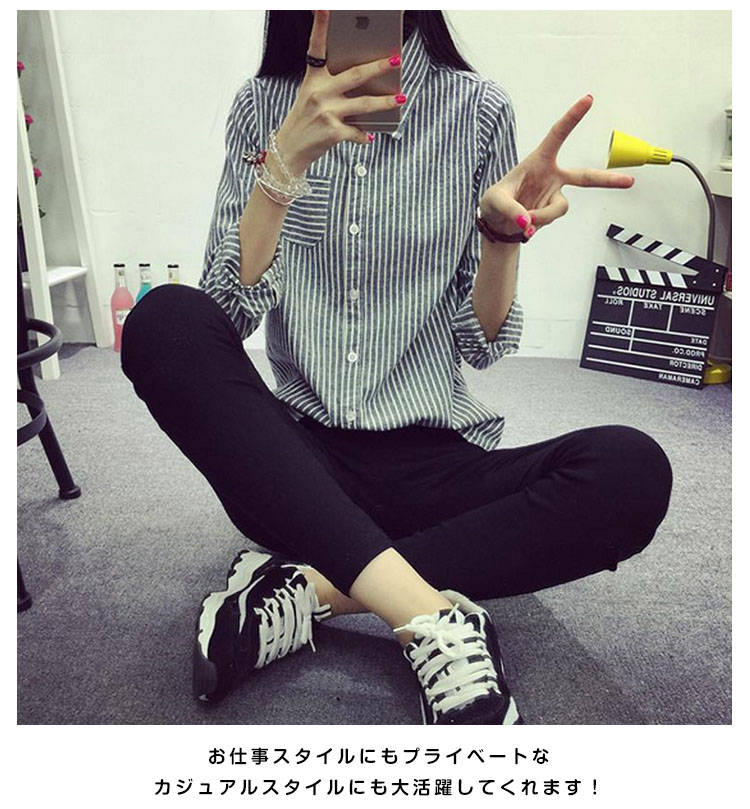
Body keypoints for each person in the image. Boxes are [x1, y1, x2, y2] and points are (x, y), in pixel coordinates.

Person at [121, 10, 673, 725]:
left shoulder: (477, 110)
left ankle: (309, 591)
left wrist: (501, 238)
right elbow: (224, 315)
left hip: (436, 470)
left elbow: (483, 342)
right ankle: (429, 617)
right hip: (295, 472)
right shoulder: (262, 106)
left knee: (631, 470)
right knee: (164, 319)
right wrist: (282, 167)